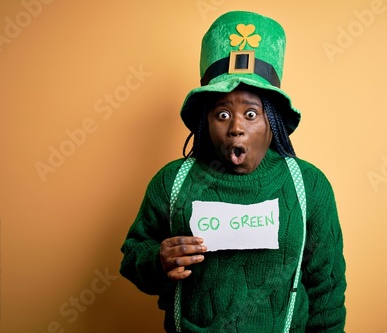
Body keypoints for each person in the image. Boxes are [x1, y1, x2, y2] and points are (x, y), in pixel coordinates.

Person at [120, 10, 346, 333]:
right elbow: (132, 257)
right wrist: (157, 260)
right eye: (222, 114)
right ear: (205, 122)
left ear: (273, 122)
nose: (236, 128)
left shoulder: (310, 188)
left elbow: (327, 292)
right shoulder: (172, 183)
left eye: (251, 113)